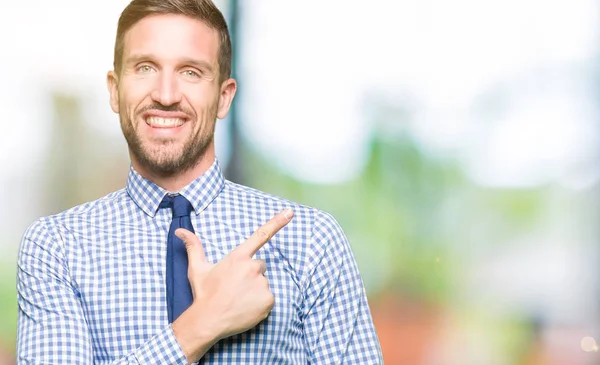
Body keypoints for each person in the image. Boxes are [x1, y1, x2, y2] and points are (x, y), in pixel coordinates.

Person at [16, 0, 383, 363]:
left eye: (191, 72)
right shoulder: (56, 249)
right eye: (145, 67)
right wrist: (202, 323)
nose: (166, 94)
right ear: (114, 90)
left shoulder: (310, 241)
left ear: (224, 97)